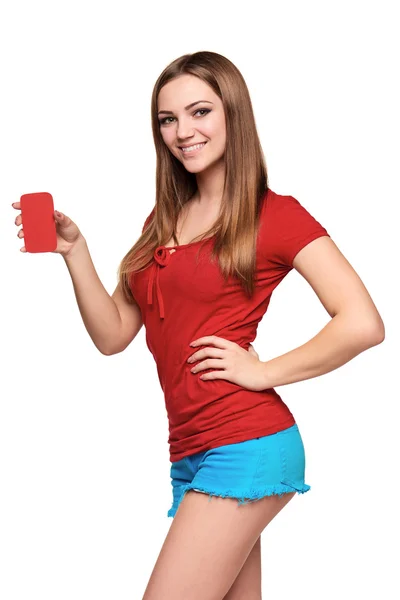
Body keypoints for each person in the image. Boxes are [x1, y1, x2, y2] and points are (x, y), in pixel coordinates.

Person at [13, 51, 385, 600]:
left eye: (200, 112)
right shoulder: (162, 221)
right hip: (189, 449)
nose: (182, 132)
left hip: (245, 440)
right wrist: (75, 252)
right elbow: (114, 335)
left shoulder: (274, 215)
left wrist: (263, 371)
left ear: (234, 113)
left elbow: (362, 322)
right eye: (168, 119)